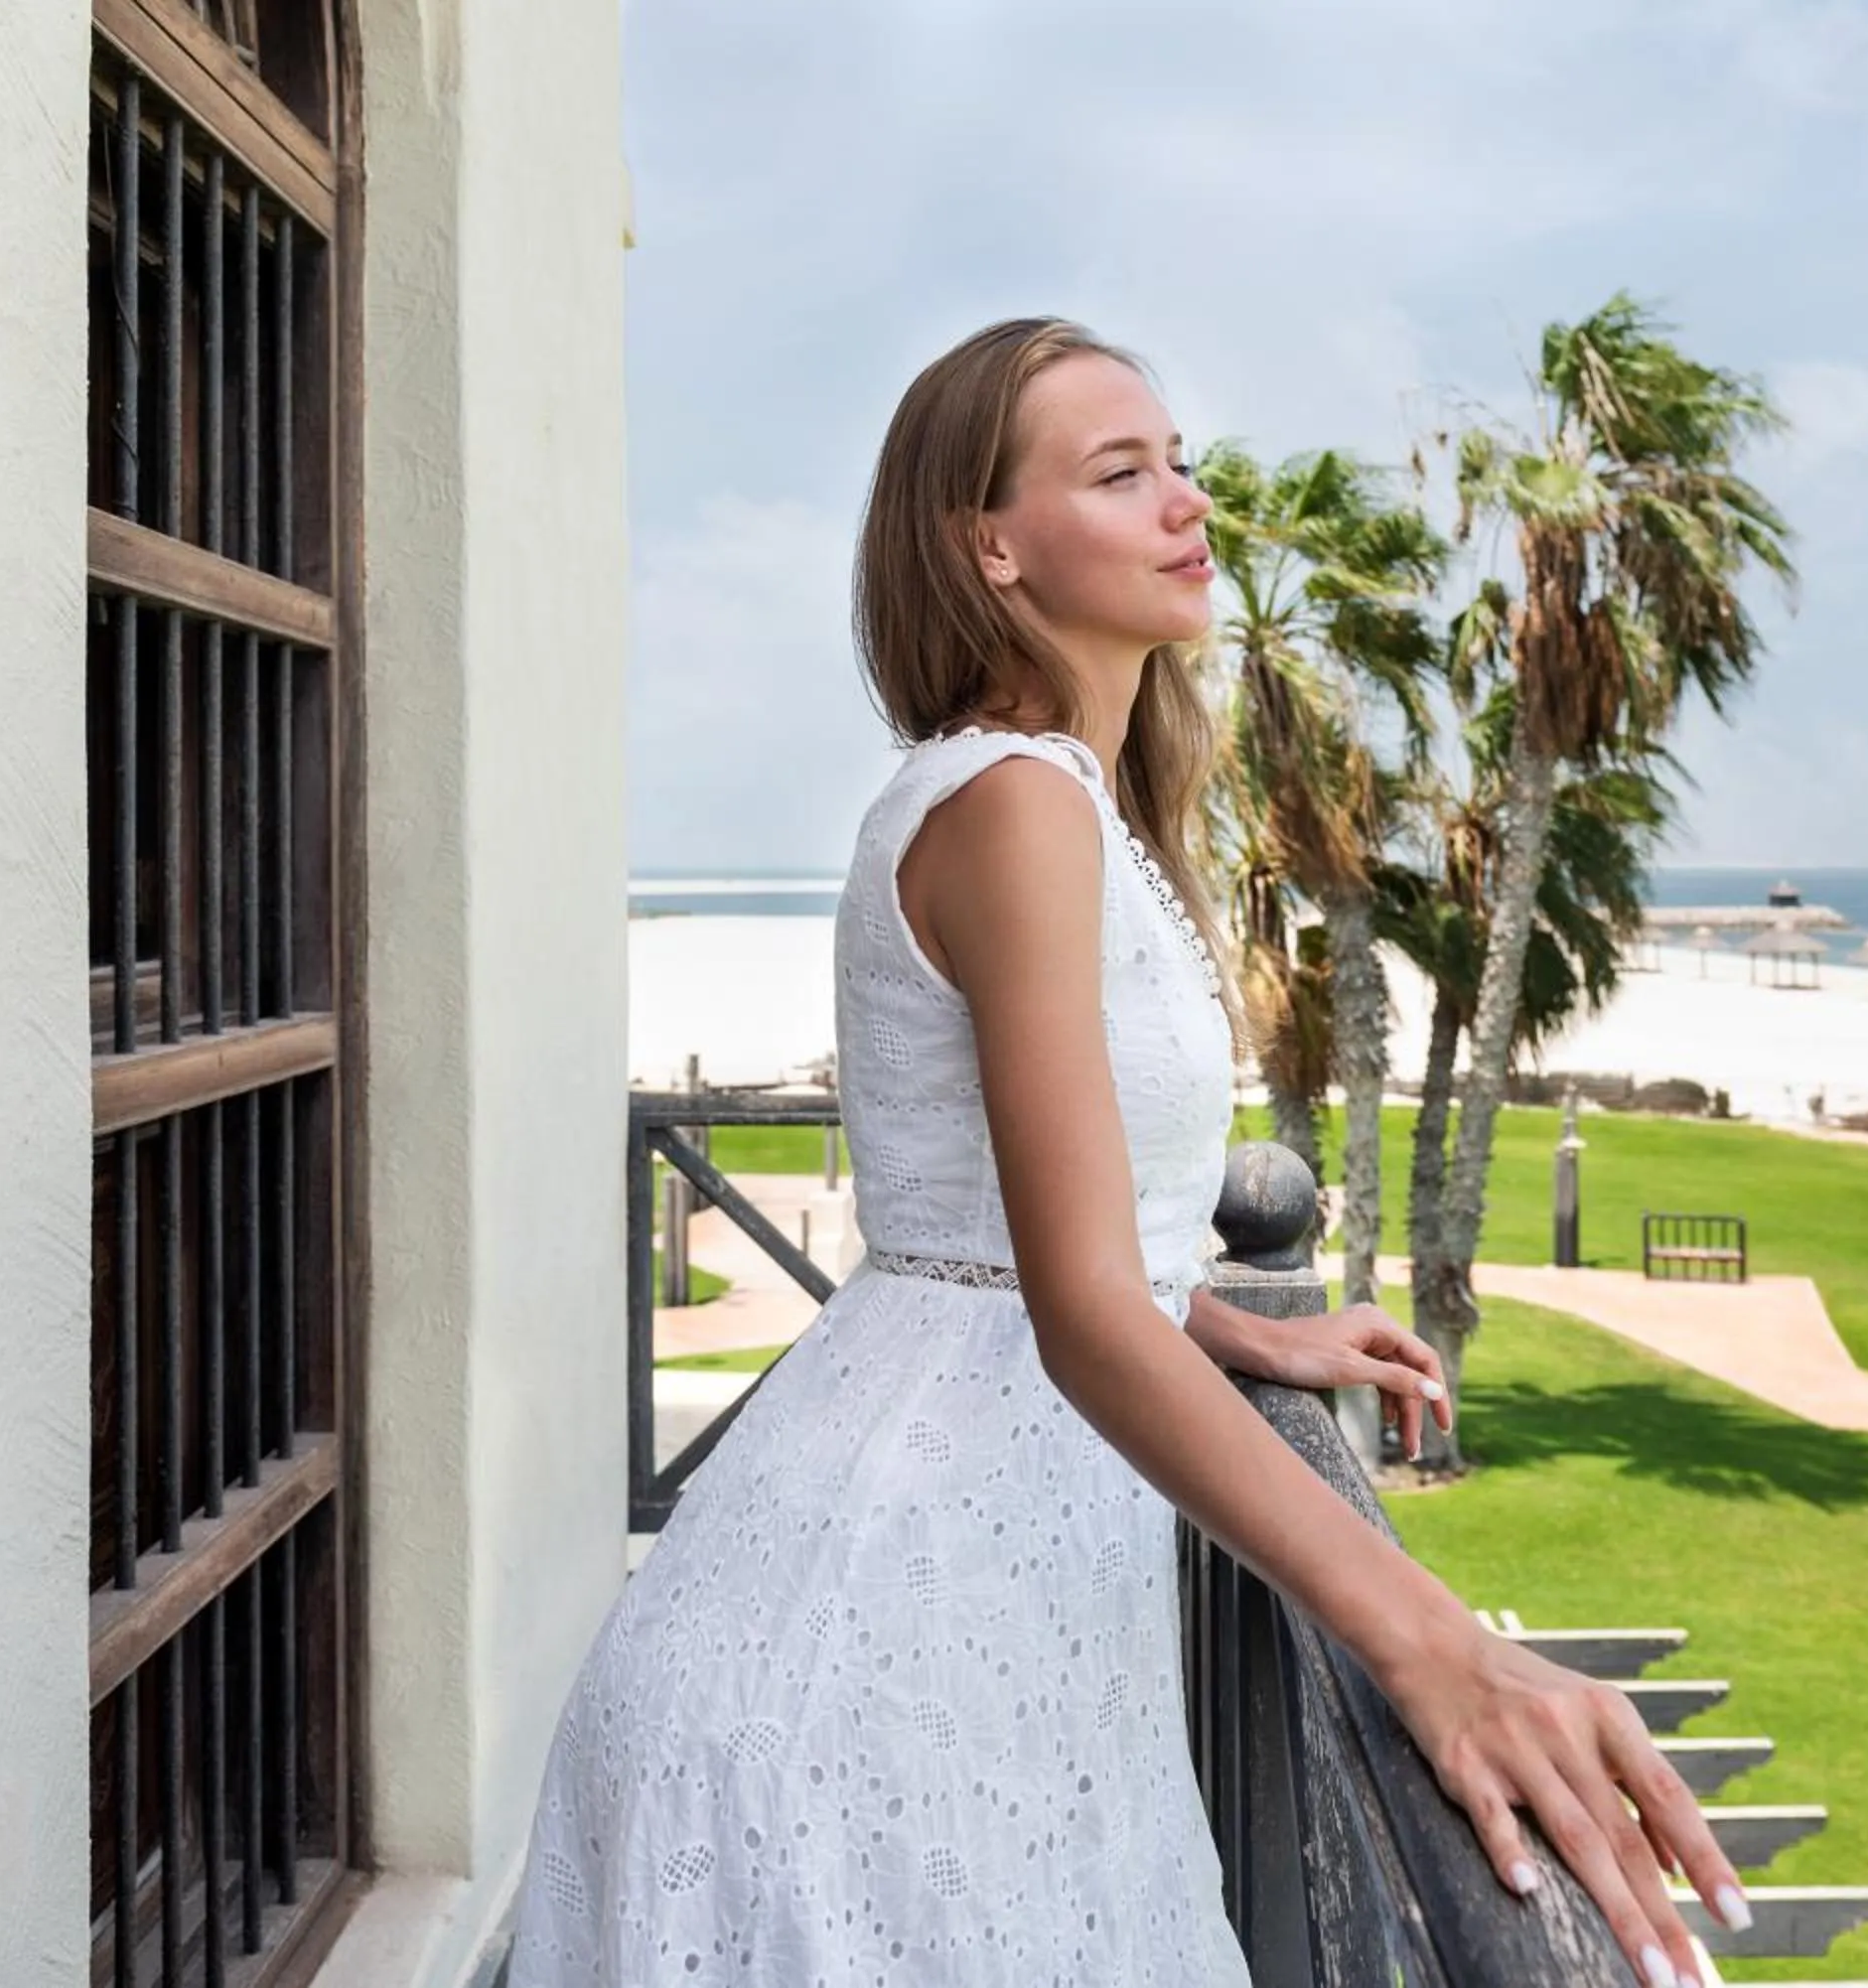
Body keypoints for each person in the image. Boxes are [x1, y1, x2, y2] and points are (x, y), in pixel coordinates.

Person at [507, 318, 1746, 1987]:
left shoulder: (1061, 800)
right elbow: (1071, 1302)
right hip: (881, 1646)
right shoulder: (1014, 801)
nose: (1188, 503)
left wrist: (1234, 1323)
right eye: (1119, 471)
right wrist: (1432, 1642)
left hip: (987, 1601)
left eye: (1182, 462)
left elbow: (1017, 1232)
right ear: (988, 546)